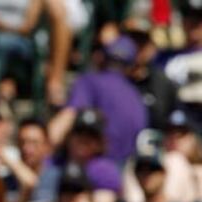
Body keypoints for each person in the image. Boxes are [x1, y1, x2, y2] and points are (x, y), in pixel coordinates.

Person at [48, 35, 148, 165]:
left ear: (102, 58)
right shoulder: (137, 97)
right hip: (123, 174)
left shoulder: (90, 82)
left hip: (90, 172)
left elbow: (60, 127)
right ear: (132, 67)